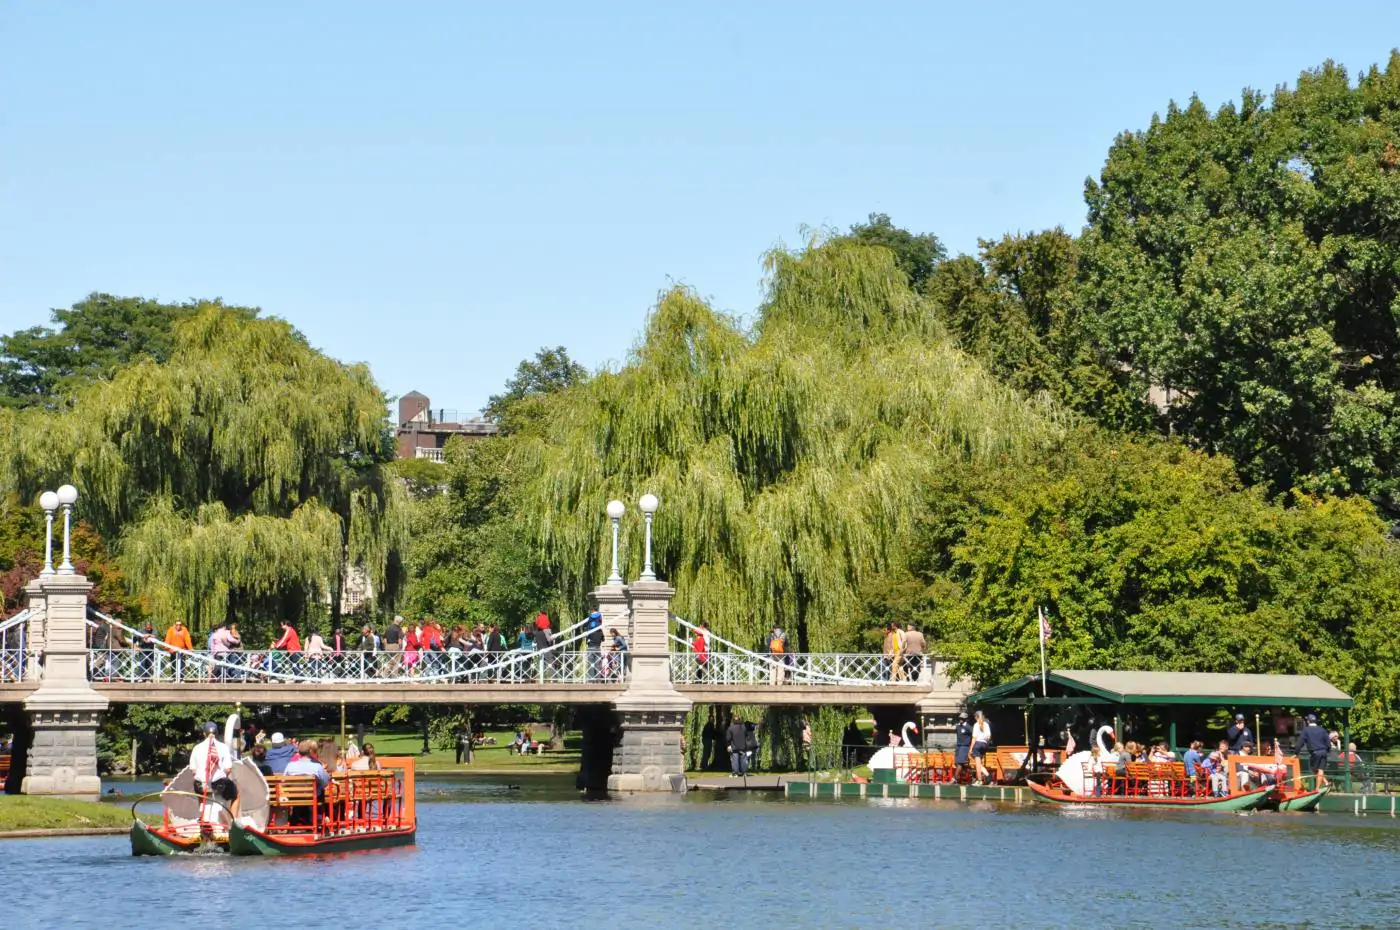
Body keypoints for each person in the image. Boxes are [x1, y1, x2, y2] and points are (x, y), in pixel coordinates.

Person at [189, 721, 240, 822]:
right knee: (237, 794)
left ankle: (203, 816)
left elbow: (193, 771)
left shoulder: (197, 748)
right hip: (218, 786)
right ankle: (234, 822)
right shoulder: (223, 747)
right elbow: (228, 769)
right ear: (216, 733)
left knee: (198, 787)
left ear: (204, 733)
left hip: (201, 786)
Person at [284, 739, 332, 825]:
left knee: (300, 799)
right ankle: (313, 820)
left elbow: (284, 782)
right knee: (319, 792)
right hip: (312, 797)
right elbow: (325, 782)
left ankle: (296, 820)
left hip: (294, 797)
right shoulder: (317, 766)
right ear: (310, 751)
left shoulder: (290, 765)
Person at [1294, 712, 1330, 787]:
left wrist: (1296, 753)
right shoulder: (1322, 729)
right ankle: (1323, 784)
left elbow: (1299, 743)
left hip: (1315, 752)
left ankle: (1317, 788)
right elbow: (1328, 742)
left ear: (1308, 721)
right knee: (1321, 769)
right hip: (1323, 751)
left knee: (1314, 770)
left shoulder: (1306, 730)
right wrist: (1327, 750)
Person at [971, 710, 992, 784]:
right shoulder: (986, 724)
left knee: (977, 764)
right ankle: (987, 775)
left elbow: (974, 738)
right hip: (985, 744)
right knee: (979, 763)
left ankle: (979, 780)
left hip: (978, 744)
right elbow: (989, 737)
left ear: (976, 717)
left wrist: (970, 749)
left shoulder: (976, 725)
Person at [953, 711, 974, 781]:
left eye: (962, 718)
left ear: (965, 719)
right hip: (958, 746)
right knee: (956, 763)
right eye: (960, 718)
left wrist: (971, 746)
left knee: (960, 763)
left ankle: (955, 778)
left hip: (964, 747)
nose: (961, 719)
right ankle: (971, 773)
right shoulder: (958, 726)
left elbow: (974, 735)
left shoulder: (968, 727)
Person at [584, 611, 605, 680]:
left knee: (590, 664)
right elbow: (603, 639)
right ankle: (598, 680)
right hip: (598, 648)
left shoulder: (589, 630)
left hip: (590, 647)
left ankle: (591, 679)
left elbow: (586, 640)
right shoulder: (600, 630)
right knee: (597, 664)